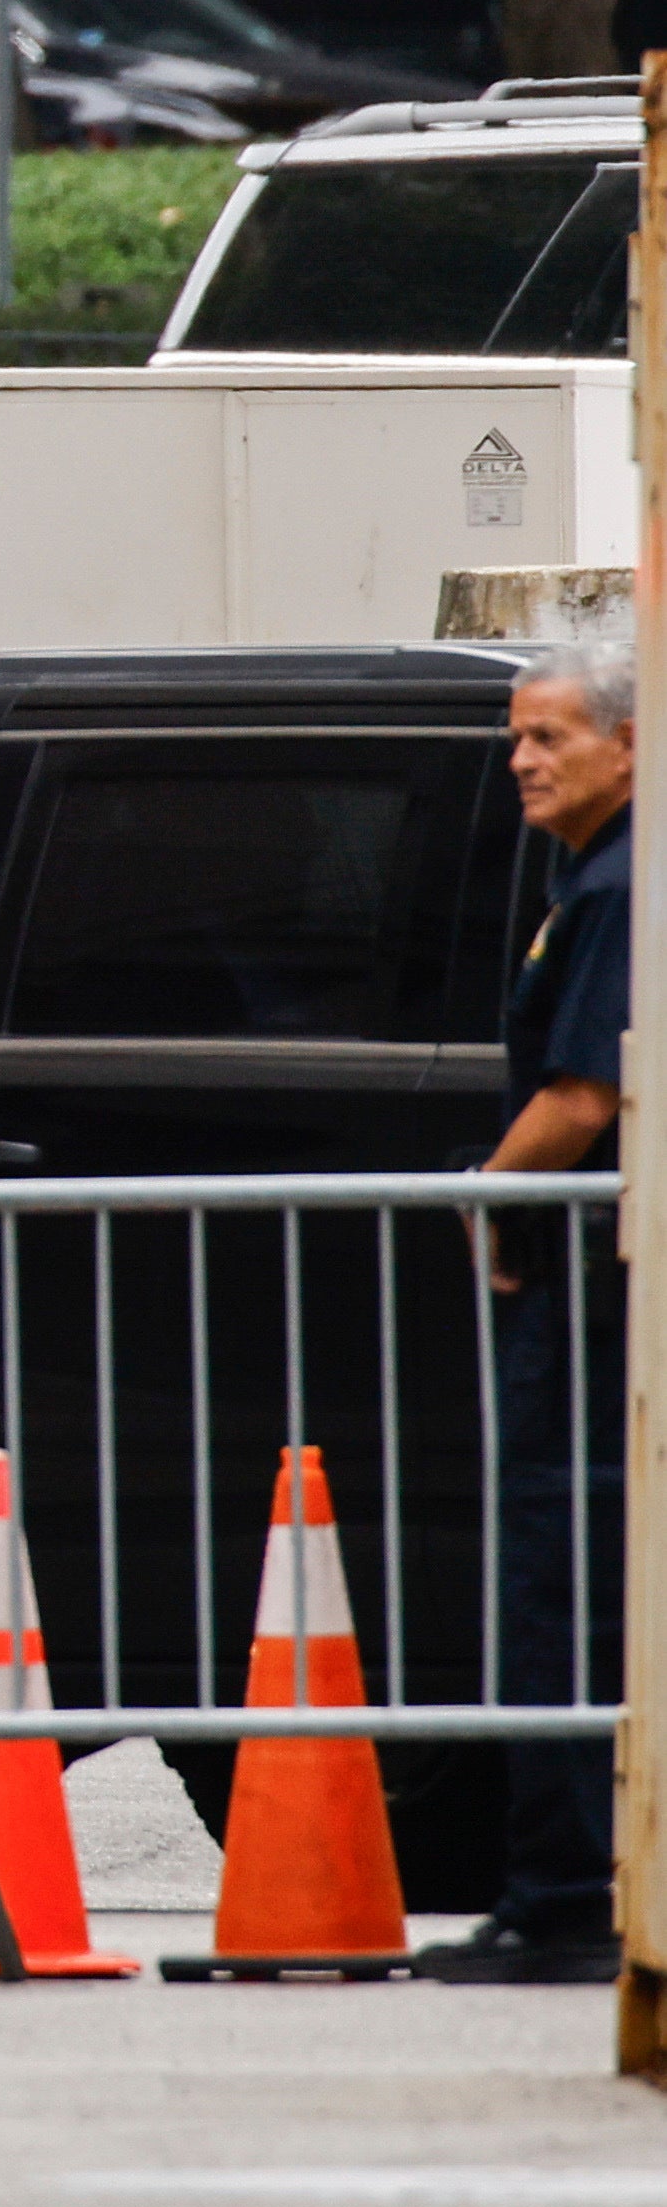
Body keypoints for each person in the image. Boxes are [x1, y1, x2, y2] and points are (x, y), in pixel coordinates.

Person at [415, 640, 633, 1987]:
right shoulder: (585, 876)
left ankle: (564, 1900)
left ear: (628, 743)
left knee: (565, 1584)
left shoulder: (616, 887)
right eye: (515, 738)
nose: (522, 761)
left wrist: (483, 1196)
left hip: (598, 1304)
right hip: (582, 1283)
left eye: (549, 736)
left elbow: (583, 1098)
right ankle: (559, 1888)